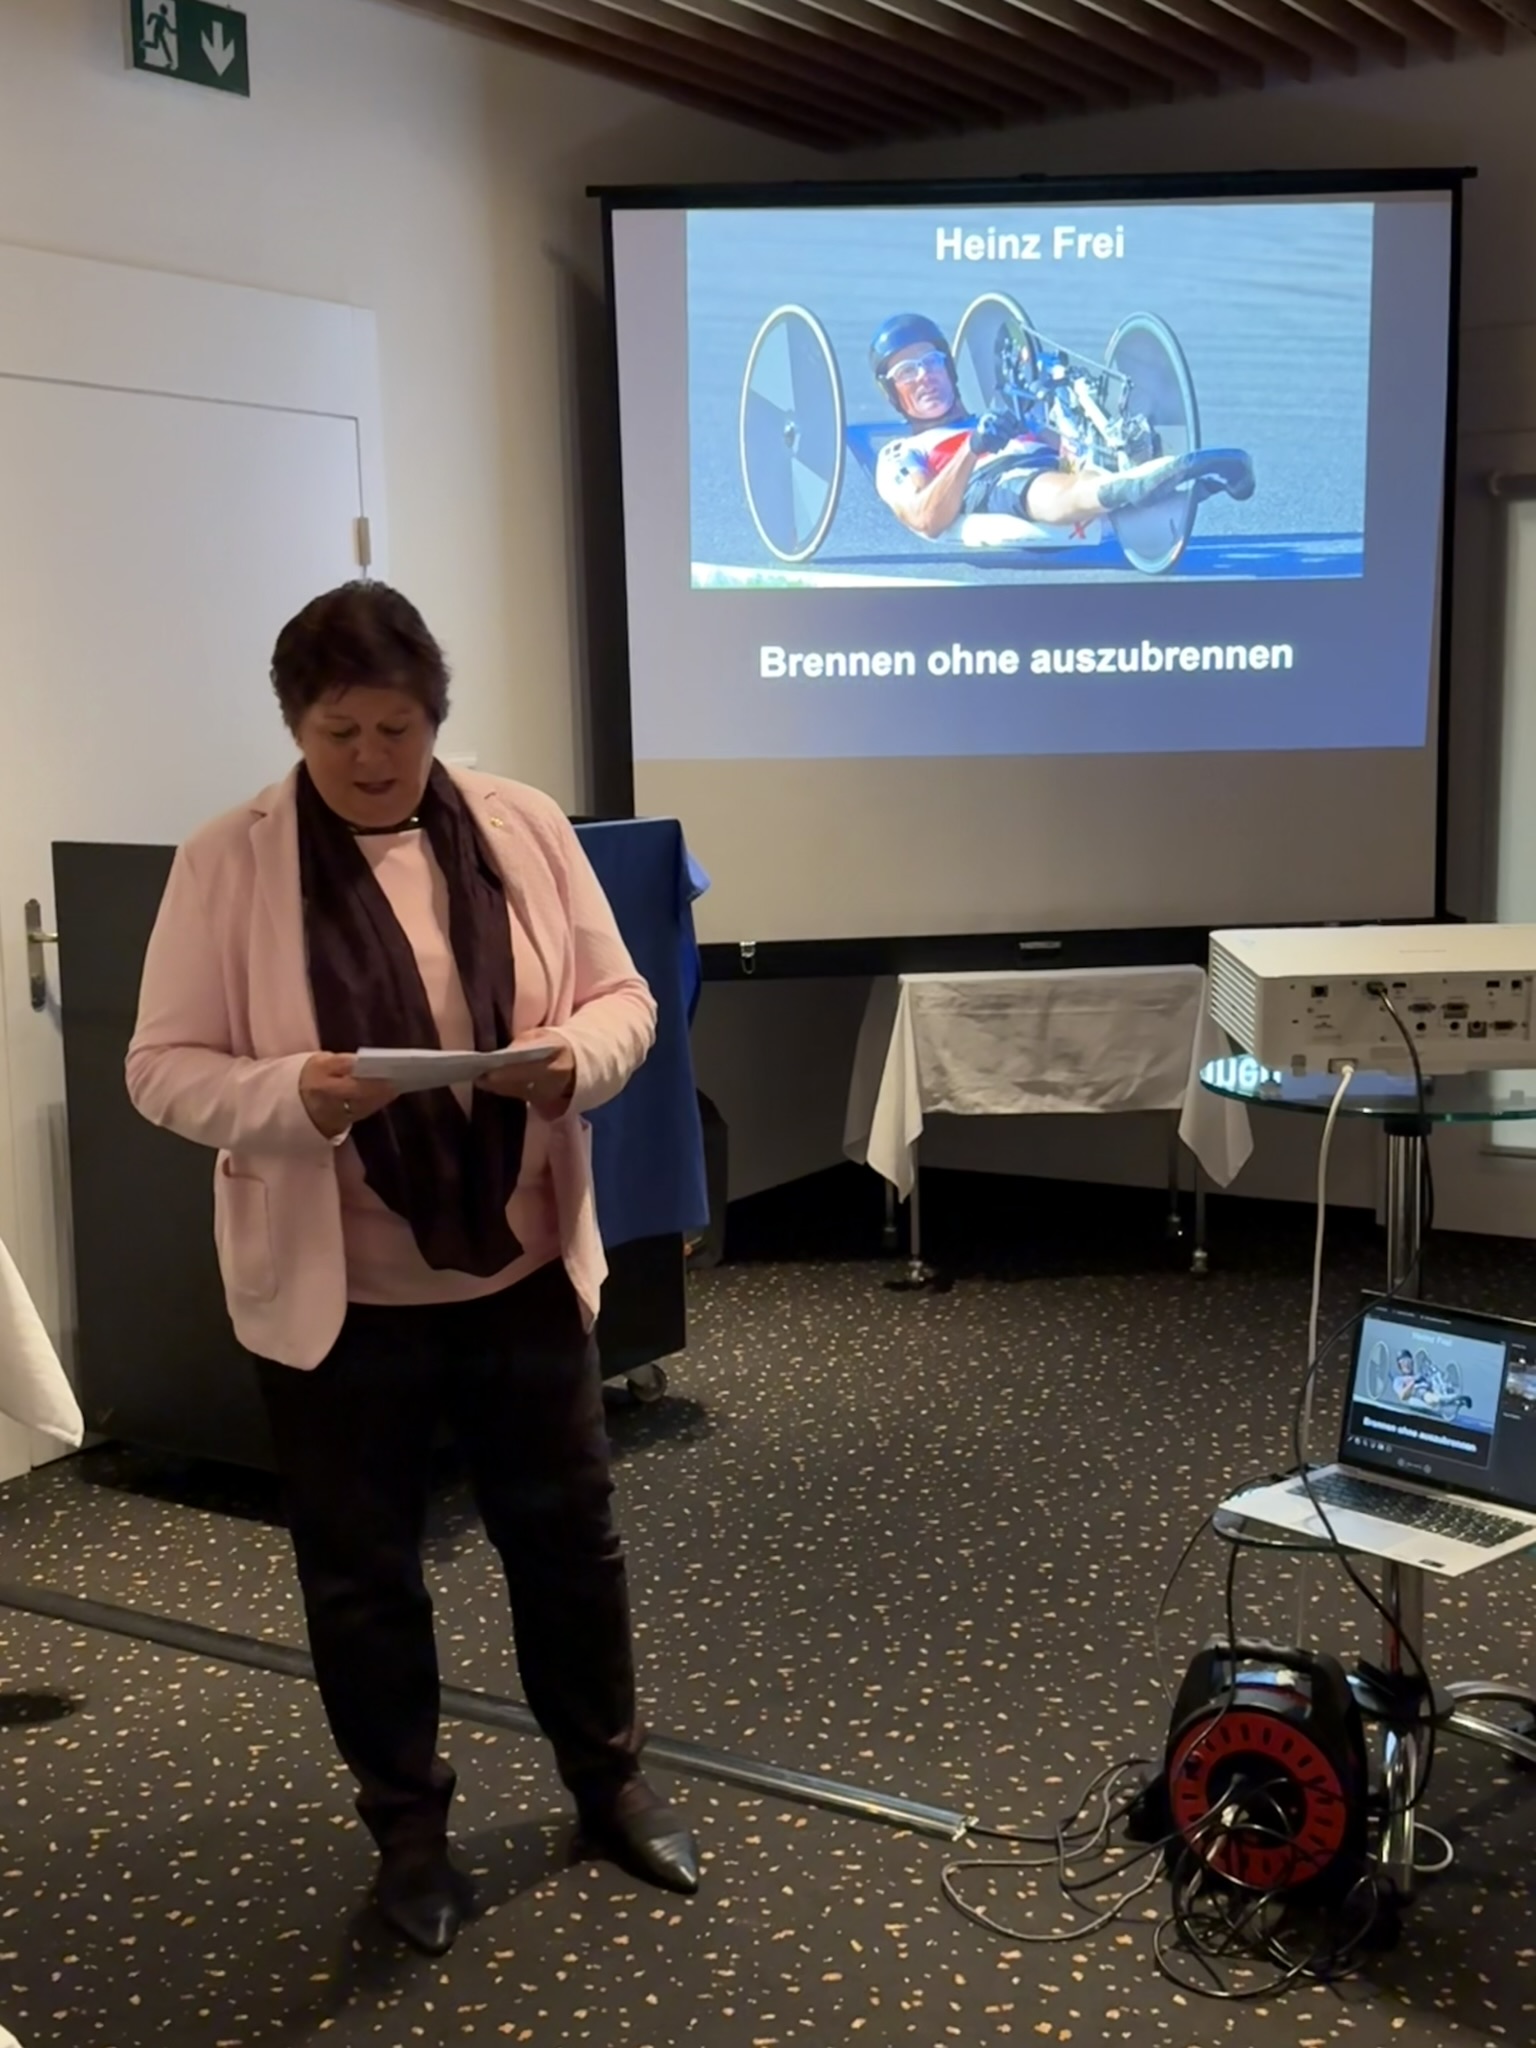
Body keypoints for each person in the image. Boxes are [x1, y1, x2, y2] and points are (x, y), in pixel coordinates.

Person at [126, 581, 698, 1957]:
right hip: (340, 1296)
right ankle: (409, 1832)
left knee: (568, 1543)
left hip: (518, 1264)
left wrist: (575, 1060)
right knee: (362, 1576)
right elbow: (160, 1067)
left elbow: (621, 998)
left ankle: (609, 1781)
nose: (373, 758)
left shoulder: (520, 825)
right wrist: (289, 1093)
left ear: (437, 718)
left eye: (397, 728)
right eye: (340, 732)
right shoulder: (228, 859)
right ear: (295, 726)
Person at [868, 313, 1255, 542]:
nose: (924, 376)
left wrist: (1058, 422)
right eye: (907, 371)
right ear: (891, 392)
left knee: (1076, 443)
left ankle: (1150, 473)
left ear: (948, 368)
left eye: (931, 362)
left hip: (1054, 463)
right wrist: (973, 447)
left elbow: (1067, 450)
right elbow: (925, 518)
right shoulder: (899, 454)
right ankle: (1129, 487)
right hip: (995, 481)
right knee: (1038, 484)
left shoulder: (995, 419)